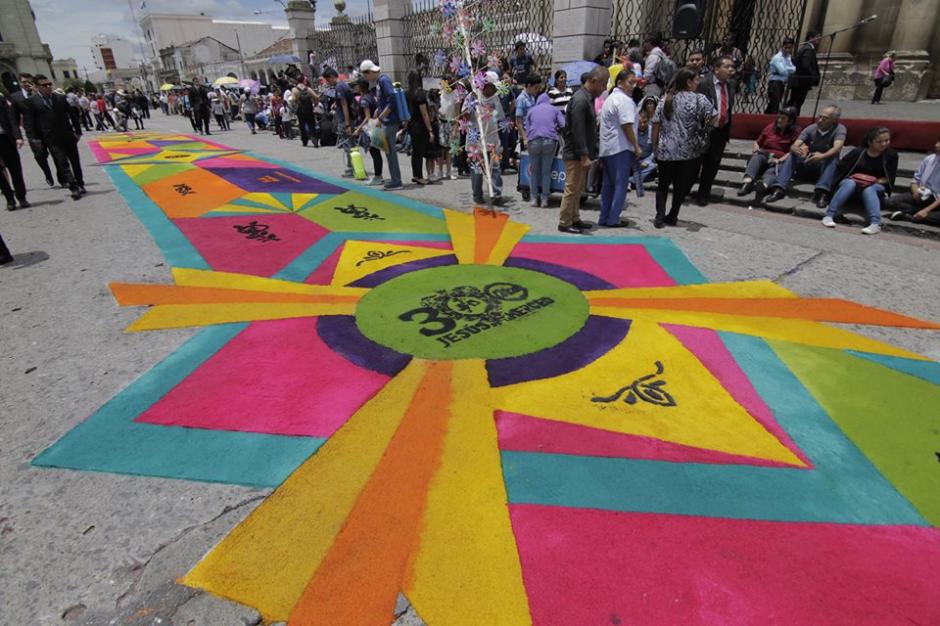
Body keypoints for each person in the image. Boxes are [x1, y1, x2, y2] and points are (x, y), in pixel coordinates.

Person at [652, 68, 716, 228]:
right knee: (680, 187)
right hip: (688, 151)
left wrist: (654, 146)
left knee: (663, 185)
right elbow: (715, 117)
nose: (698, 82)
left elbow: (656, 125)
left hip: (666, 150)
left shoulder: (665, 99)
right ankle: (673, 215)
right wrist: (704, 127)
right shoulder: (699, 100)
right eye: (695, 80)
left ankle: (659, 216)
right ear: (688, 82)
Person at [559, 65, 609, 234]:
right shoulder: (581, 100)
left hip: (579, 153)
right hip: (576, 153)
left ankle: (574, 217)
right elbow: (577, 130)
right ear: (594, 81)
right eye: (603, 85)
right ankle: (564, 221)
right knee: (572, 188)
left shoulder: (586, 98)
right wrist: (584, 155)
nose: (603, 90)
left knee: (578, 188)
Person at [765, 104, 846, 206]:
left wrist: (821, 156)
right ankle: (779, 188)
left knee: (833, 157)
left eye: (825, 119)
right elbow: (794, 145)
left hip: (823, 167)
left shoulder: (840, 129)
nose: (820, 120)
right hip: (807, 163)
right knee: (793, 155)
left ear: (834, 120)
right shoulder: (811, 128)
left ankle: (822, 193)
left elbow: (837, 148)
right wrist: (796, 149)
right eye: (819, 117)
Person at [822, 126, 898, 235]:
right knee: (849, 183)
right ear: (870, 142)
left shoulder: (891, 155)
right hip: (853, 183)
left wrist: (871, 181)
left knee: (869, 189)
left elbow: (889, 178)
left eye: (887, 140)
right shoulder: (858, 152)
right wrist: (855, 178)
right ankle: (829, 215)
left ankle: (875, 223)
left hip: (875, 185)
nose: (884, 144)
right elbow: (841, 169)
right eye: (879, 141)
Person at [26, 75, 85, 201]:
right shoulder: (32, 101)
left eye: (49, 84)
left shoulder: (60, 98)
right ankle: (73, 187)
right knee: (62, 162)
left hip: (68, 135)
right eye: (44, 85)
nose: (48, 87)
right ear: (37, 87)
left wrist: (78, 131)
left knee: (75, 161)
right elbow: (30, 121)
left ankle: (80, 183)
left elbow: (72, 115)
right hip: (51, 138)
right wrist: (34, 138)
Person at [598, 69, 641, 227]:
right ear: (620, 83)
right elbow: (627, 125)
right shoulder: (624, 100)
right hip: (620, 147)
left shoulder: (610, 99)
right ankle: (613, 218)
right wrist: (636, 146)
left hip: (608, 147)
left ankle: (604, 216)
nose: (633, 86)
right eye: (630, 82)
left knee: (608, 185)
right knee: (620, 185)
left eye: (634, 82)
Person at [736, 107, 801, 202]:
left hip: (779, 159)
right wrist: (756, 147)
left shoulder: (795, 131)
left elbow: (792, 151)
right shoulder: (770, 127)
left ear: (790, 121)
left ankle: (763, 186)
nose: (779, 120)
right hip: (764, 155)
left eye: (783, 118)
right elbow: (758, 142)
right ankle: (747, 183)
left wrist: (781, 159)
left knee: (774, 170)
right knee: (756, 157)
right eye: (779, 117)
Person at [695, 55, 736, 206]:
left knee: (712, 165)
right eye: (727, 67)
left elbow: (728, 107)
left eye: (732, 67)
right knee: (695, 162)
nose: (731, 70)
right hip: (704, 129)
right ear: (716, 69)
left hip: (721, 131)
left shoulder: (731, 85)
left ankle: (703, 194)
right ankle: (684, 188)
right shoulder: (704, 84)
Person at [462, 71, 508, 206]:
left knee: (495, 168)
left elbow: (499, 117)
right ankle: (477, 195)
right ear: (485, 85)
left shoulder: (495, 98)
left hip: (492, 138)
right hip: (474, 138)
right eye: (492, 87)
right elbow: (464, 117)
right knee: (476, 169)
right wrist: (471, 106)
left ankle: (496, 194)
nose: (494, 90)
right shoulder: (472, 96)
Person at [361, 59, 403, 190]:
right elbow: (385, 101)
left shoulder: (383, 80)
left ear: (369, 72)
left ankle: (396, 181)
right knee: (388, 151)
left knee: (390, 152)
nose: (366, 78)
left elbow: (392, 101)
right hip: (386, 120)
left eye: (365, 75)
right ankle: (395, 179)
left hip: (389, 121)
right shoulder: (380, 81)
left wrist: (380, 117)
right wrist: (378, 110)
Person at [9, 74, 56, 187]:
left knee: (57, 153)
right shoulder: (16, 97)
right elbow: (13, 118)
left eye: (29, 82)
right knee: (40, 155)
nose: (26, 84)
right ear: (20, 83)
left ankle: (63, 177)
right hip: (32, 132)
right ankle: (47, 173)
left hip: (48, 129)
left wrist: (37, 93)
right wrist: (18, 136)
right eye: (24, 82)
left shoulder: (39, 93)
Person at [524, 92, 565, 207]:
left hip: (534, 141)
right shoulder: (555, 110)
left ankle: (533, 198)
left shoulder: (531, 110)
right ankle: (544, 199)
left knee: (534, 171)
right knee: (546, 171)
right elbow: (563, 124)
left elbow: (527, 127)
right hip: (550, 141)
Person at [888, 138, 940, 226]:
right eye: (938, 141)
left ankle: (909, 215)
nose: (936, 145)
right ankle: (917, 212)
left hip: (937, 200)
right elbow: (915, 180)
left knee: (935, 217)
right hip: (923, 195)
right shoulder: (929, 159)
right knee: (891, 202)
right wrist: (916, 191)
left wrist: (926, 210)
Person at [403, 70, 434, 185]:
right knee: (419, 152)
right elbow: (424, 114)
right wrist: (430, 130)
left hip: (412, 125)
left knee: (415, 152)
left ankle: (415, 174)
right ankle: (420, 176)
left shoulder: (407, 93)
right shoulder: (420, 94)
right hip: (420, 126)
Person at [0, 93, 29, 210]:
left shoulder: (1, 99)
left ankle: (21, 197)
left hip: (5, 138)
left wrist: (18, 136)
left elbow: (11, 119)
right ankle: (9, 198)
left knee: (15, 169)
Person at [326, 68, 356, 177]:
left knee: (348, 146)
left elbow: (344, 105)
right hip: (349, 119)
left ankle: (352, 169)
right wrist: (336, 103)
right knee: (351, 145)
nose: (328, 83)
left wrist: (347, 123)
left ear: (331, 77)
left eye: (328, 80)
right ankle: (353, 167)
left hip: (345, 120)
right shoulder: (344, 85)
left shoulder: (339, 87)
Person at [353, 78, 384, 185]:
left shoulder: (364, 100)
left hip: (370, 128)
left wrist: (358, 129)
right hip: (375, 126)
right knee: (376, 153)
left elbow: (367, 117)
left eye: (356, 85)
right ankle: (378, 175)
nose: (355, 87)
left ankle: (378, 176)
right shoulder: (371, 96)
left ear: (360, 87)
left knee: (375, 152)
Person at [787, 31, 820, 115]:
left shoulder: (804, 48)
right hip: (802, 81)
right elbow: (805, 65)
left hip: (798, 81)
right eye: (817, 37)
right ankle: (792, 118)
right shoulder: (808, 49)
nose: (819, 39)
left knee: (793, 101)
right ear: (810, 38)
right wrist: (813, 75)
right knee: (797, 103)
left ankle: (787, 116)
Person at [766, 37, 796, 114]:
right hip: (775, 83)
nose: (788, 50)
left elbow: (793, 69)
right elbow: (783, 71)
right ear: (782, 47)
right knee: (774, 106)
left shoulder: (788, 57)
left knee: (774, 103)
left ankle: (765, 117)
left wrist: (789, 69)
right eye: (786, 48)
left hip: (781, 83)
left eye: (790, 48)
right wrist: (790, 69)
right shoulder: (777, 58)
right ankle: (772, 120)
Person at [515, 74, 541, 150]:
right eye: (536, 88)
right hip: (527, 136)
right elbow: (518, 121)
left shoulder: (532, 97)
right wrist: (525, 138)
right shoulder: (521, 99)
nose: (537, 90)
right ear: (529, 86)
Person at [292, 78, 319, 147]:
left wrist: (297, 102)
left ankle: (304, 141)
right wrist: (314, 103)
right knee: (312, 125)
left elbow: (293, 100)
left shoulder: (294, 90)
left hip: (300, 111)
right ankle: (314, 138)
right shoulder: (308, 89)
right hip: (309, 110)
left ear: (296, 81)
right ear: (303, 81)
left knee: (302, 126)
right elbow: (316, 97)